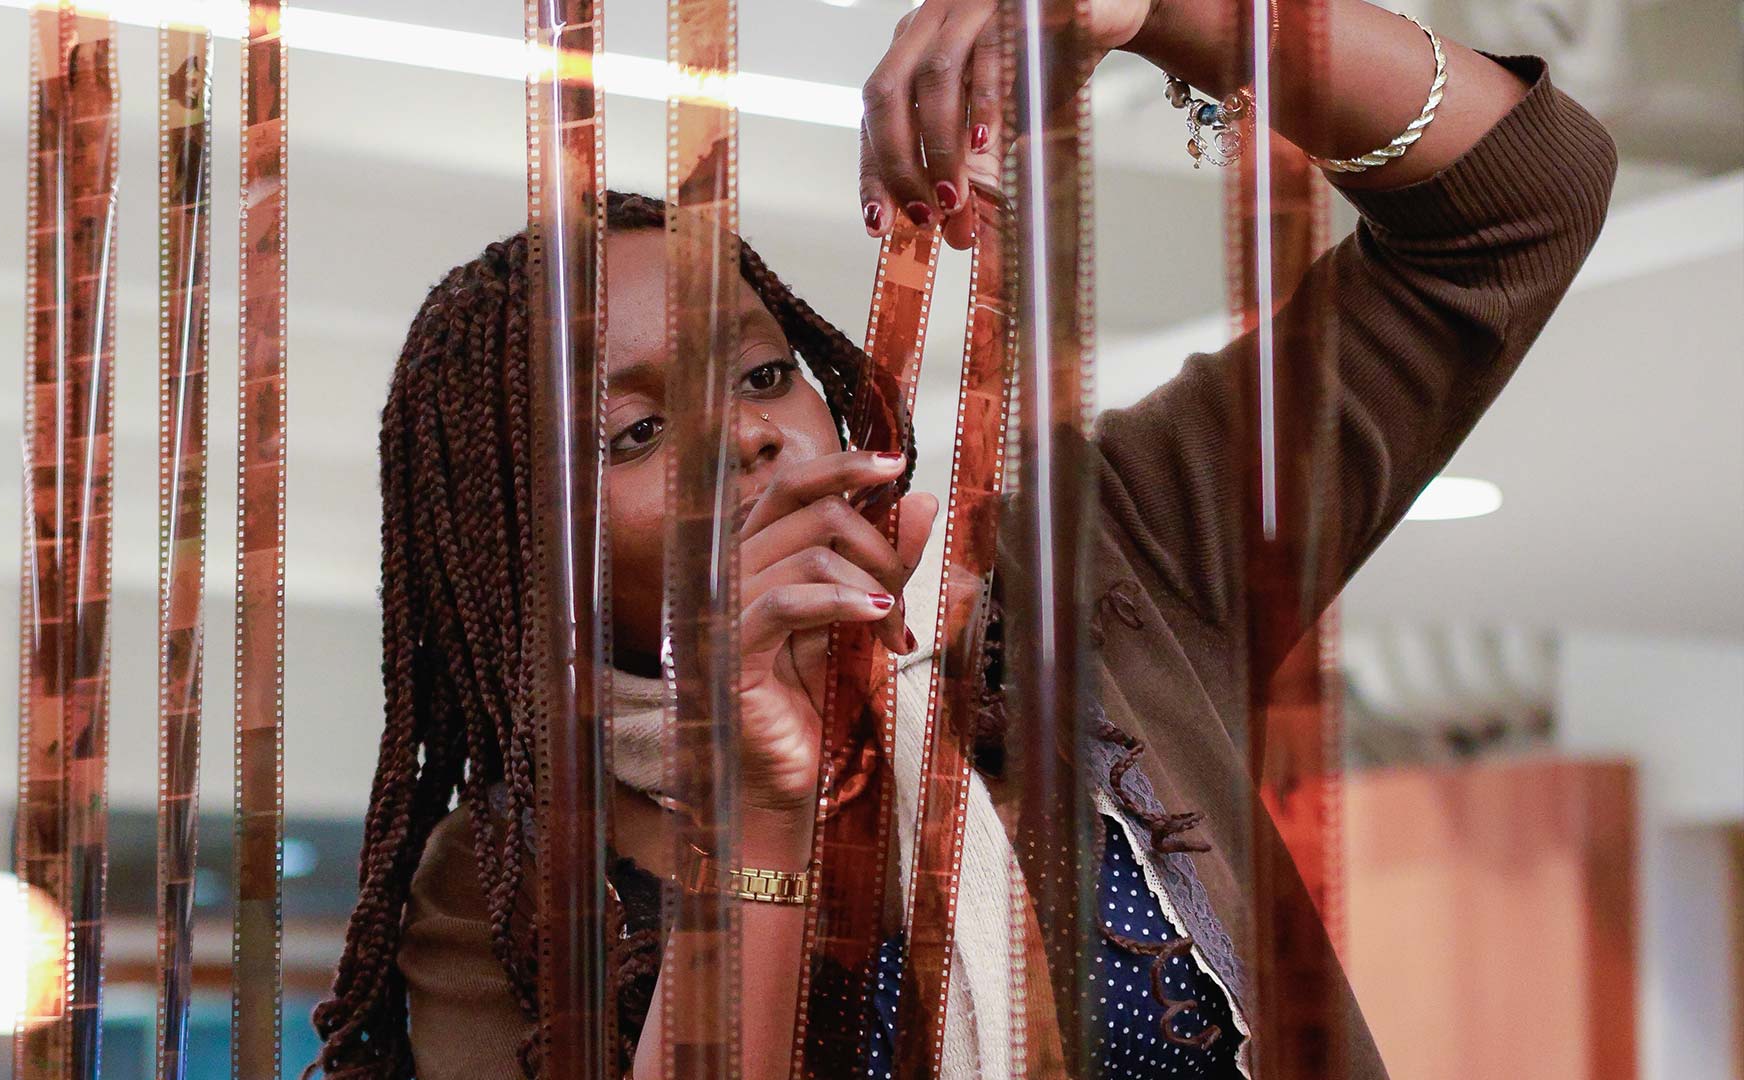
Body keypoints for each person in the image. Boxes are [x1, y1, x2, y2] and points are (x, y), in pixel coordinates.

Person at [308, 0, 1617, 1076]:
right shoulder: (500, 888)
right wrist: (759, 816)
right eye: (634, 434)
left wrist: (1172, 16)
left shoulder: (1093, 571)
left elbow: (1517, 203)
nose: (752, 438)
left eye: (762, 378)